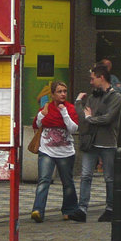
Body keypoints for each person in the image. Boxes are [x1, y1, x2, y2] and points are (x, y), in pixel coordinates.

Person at [31, 80, 84, 223]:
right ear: (53, 94)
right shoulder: (46, 107)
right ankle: (38, 210)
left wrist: (64, 113)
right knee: (44, 180)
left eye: (64, 91)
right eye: (59, 92)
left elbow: (73, 128)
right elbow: (36, 124)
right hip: (47, 150)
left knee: (67, 182)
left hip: (65, 152)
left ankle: (69, 210)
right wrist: (42, 114)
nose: (63, 94)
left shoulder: (70, 108)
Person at [77, 62, 121, 222]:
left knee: (109, 177)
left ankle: (110, 208)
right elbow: (85, 116)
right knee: (85, 175)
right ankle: (82, 208)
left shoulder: (115, 96)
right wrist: (84, 111)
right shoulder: (92, 97)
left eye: (92, 79)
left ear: (101, 78)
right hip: (91, 141)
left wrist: (91, 118)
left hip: (108, 141)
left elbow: (108, 118)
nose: (91, 82)